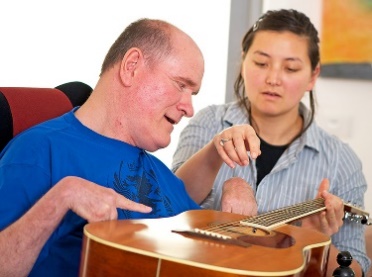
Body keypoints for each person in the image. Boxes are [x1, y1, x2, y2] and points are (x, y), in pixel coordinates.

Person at [0, 18, 261, 276]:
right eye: (181, 85)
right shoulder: (38, 153)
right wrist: (61, 198)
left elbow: (197, 242)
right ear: (132, 67)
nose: (189, 109)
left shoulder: (153, 167)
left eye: (192, 94)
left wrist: (235, 187)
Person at [172, 9, 371, 276]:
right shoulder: (208, 123)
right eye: (261, 63)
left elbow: (357, 269)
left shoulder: (341, 162)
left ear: (313, 76)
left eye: (290, 68)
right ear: (243, 62)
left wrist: (311, 241)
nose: (272, 79)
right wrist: (214, 156)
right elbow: (168, 206)